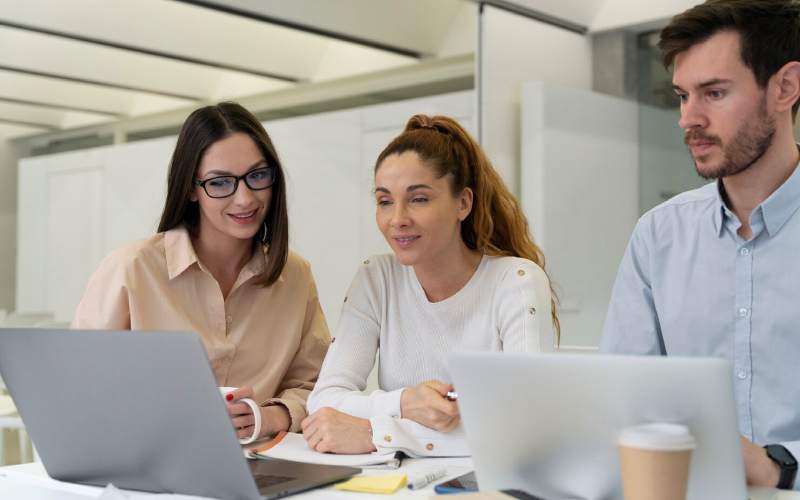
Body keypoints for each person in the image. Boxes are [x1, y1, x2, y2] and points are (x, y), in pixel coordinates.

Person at [600, 0, 800, 490]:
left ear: (785, 88)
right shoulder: (657, 236)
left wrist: (778, 464)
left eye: (713, 92)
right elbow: (621, 402)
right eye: (682, 96)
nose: (688, 119)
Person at [302, 115, 558, 457]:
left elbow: (529, 425)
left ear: (463, 203)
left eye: (419, 199)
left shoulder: (516, 282)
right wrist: (406, 402)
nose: (397, 219)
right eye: (384, 201)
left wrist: (377, 434)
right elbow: (324, 400)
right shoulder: (376, 279)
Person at [71, 102, 331, 440]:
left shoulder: (295, 275)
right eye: (220, 182)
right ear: (191, 188)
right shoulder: (131, 269)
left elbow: (317, 384)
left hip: (260, 465)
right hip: (147, 462)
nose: (245, 198)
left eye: (257, 176)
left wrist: (270, 416)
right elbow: (77, 387)